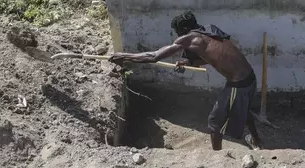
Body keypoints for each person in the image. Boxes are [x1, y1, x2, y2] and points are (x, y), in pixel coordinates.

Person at [109, 11, 262, 151]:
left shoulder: (189, 38)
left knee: (214, 123)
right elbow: (214, 57)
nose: (177, 35)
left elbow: (154, 56)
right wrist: (187, 62)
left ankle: (218, 158)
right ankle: (257, 142)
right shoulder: (210, 31)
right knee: (244, 109)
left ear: (182, 29)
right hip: (250, 79)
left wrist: (123, 56)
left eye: (177, 31)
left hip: (238, 86)